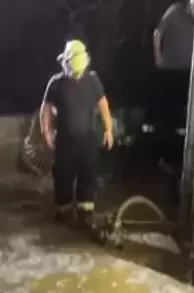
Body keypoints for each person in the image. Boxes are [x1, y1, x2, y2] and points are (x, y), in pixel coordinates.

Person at [40, 40, 114, 221]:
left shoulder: (93, 80)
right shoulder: (56, 83)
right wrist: (47, 132)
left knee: (88, 173)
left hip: (87, 137)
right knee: (63, 173)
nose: (76, 75)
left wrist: (108, 130)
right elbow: (46, 108)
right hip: (65, 138)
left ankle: (85, 208)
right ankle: (63, 208)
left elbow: (103, 105)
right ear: (65, 63)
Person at [153, 0, 194, 170]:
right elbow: (157, 33)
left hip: (189, 71)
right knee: (168, 115)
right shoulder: (175, 11)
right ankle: (164, 157)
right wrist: (158, 58)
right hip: (170, 70)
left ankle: (181, 158)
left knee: (185, 116)